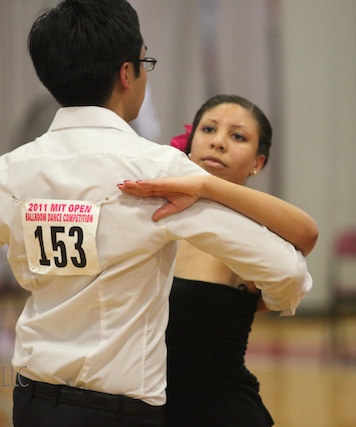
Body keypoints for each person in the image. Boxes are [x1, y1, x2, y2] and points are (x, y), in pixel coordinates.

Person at [0, 1, 314, 426]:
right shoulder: (159, 173)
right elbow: (288, 272)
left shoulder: (12, 173)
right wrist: (275, 302)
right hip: (123, 413)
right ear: (126, 74)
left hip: (33, 408)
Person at [117, 94, 317, 426]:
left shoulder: (253, 235)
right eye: (209, 129)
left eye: (237, 136)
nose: (219, 142)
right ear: (191, 143)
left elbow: (307, 234)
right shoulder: (153, 214)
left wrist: (207, 187)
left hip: (219, 412)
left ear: (258, 162)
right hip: (139, 410)